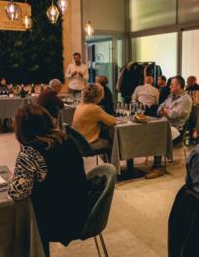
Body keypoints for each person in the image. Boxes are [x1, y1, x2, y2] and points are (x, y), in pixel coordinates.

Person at [8, 104, 90, 257]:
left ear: (20, 128)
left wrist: (14, 179)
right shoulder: (66, 139)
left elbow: (17, 193)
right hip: (82, 210)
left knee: (13, 221)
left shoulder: (30, 152)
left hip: (58, 221)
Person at [145, 75, 192, 179]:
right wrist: (166, 110)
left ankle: (158, 167)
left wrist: (166, 110)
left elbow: (173, 115)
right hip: (164, 124)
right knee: (147, 130)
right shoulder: (170, 96)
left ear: (179, 86)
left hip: (176, 129)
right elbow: (159, 109)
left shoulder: (186, 100)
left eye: (171, 85)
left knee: (158, 135)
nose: (169, 87)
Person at [72, 83, 117, 150]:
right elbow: (112, 122)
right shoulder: (94, 108)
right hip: (88, 144)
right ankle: (113, 160)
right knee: (113, 142)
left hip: (77, 142)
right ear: (98, 96)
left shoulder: (79, 106)